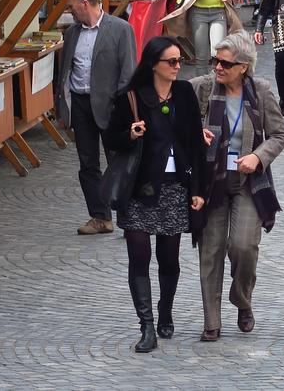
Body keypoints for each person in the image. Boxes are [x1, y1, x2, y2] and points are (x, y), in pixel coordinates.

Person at [102, 36, 208, 353]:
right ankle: (146, 325)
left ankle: (165, 310)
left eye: (180, 61)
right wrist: (129, 134)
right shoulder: (131, 97)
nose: (178, 67)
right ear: (154, 64)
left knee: (169, 259)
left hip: (176, 187)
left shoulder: (186, 94)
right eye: (171, 62)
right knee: (139, 257)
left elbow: (194, 144)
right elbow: (110, 138)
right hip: (140, 188)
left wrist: (198, 190)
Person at [189, 32, 284, 343]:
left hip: (248, 181)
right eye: (215, 61)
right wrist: (196, 134)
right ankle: (212, 322)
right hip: (211, 180)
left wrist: (258, 157)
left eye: (225, 63)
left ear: (244, 66)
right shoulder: (201, 88)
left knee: (243, 247)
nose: (218, 67)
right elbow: (179, 125)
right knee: (211, 249)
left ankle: (242, 300)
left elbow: (279, 135)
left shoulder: (261, 92)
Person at [55, 0, 136, 235]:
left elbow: (128, 71)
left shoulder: (120, 29)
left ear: (85, 3)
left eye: (72, 6)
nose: (70, 11)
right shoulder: (72, 34)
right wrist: (62, 106)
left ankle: (128, 217)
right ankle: (101, 217)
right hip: (80, 104)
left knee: (118, 161)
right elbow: (64, 72)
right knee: (87, 162)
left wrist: (121, 106)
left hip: (111, 105)